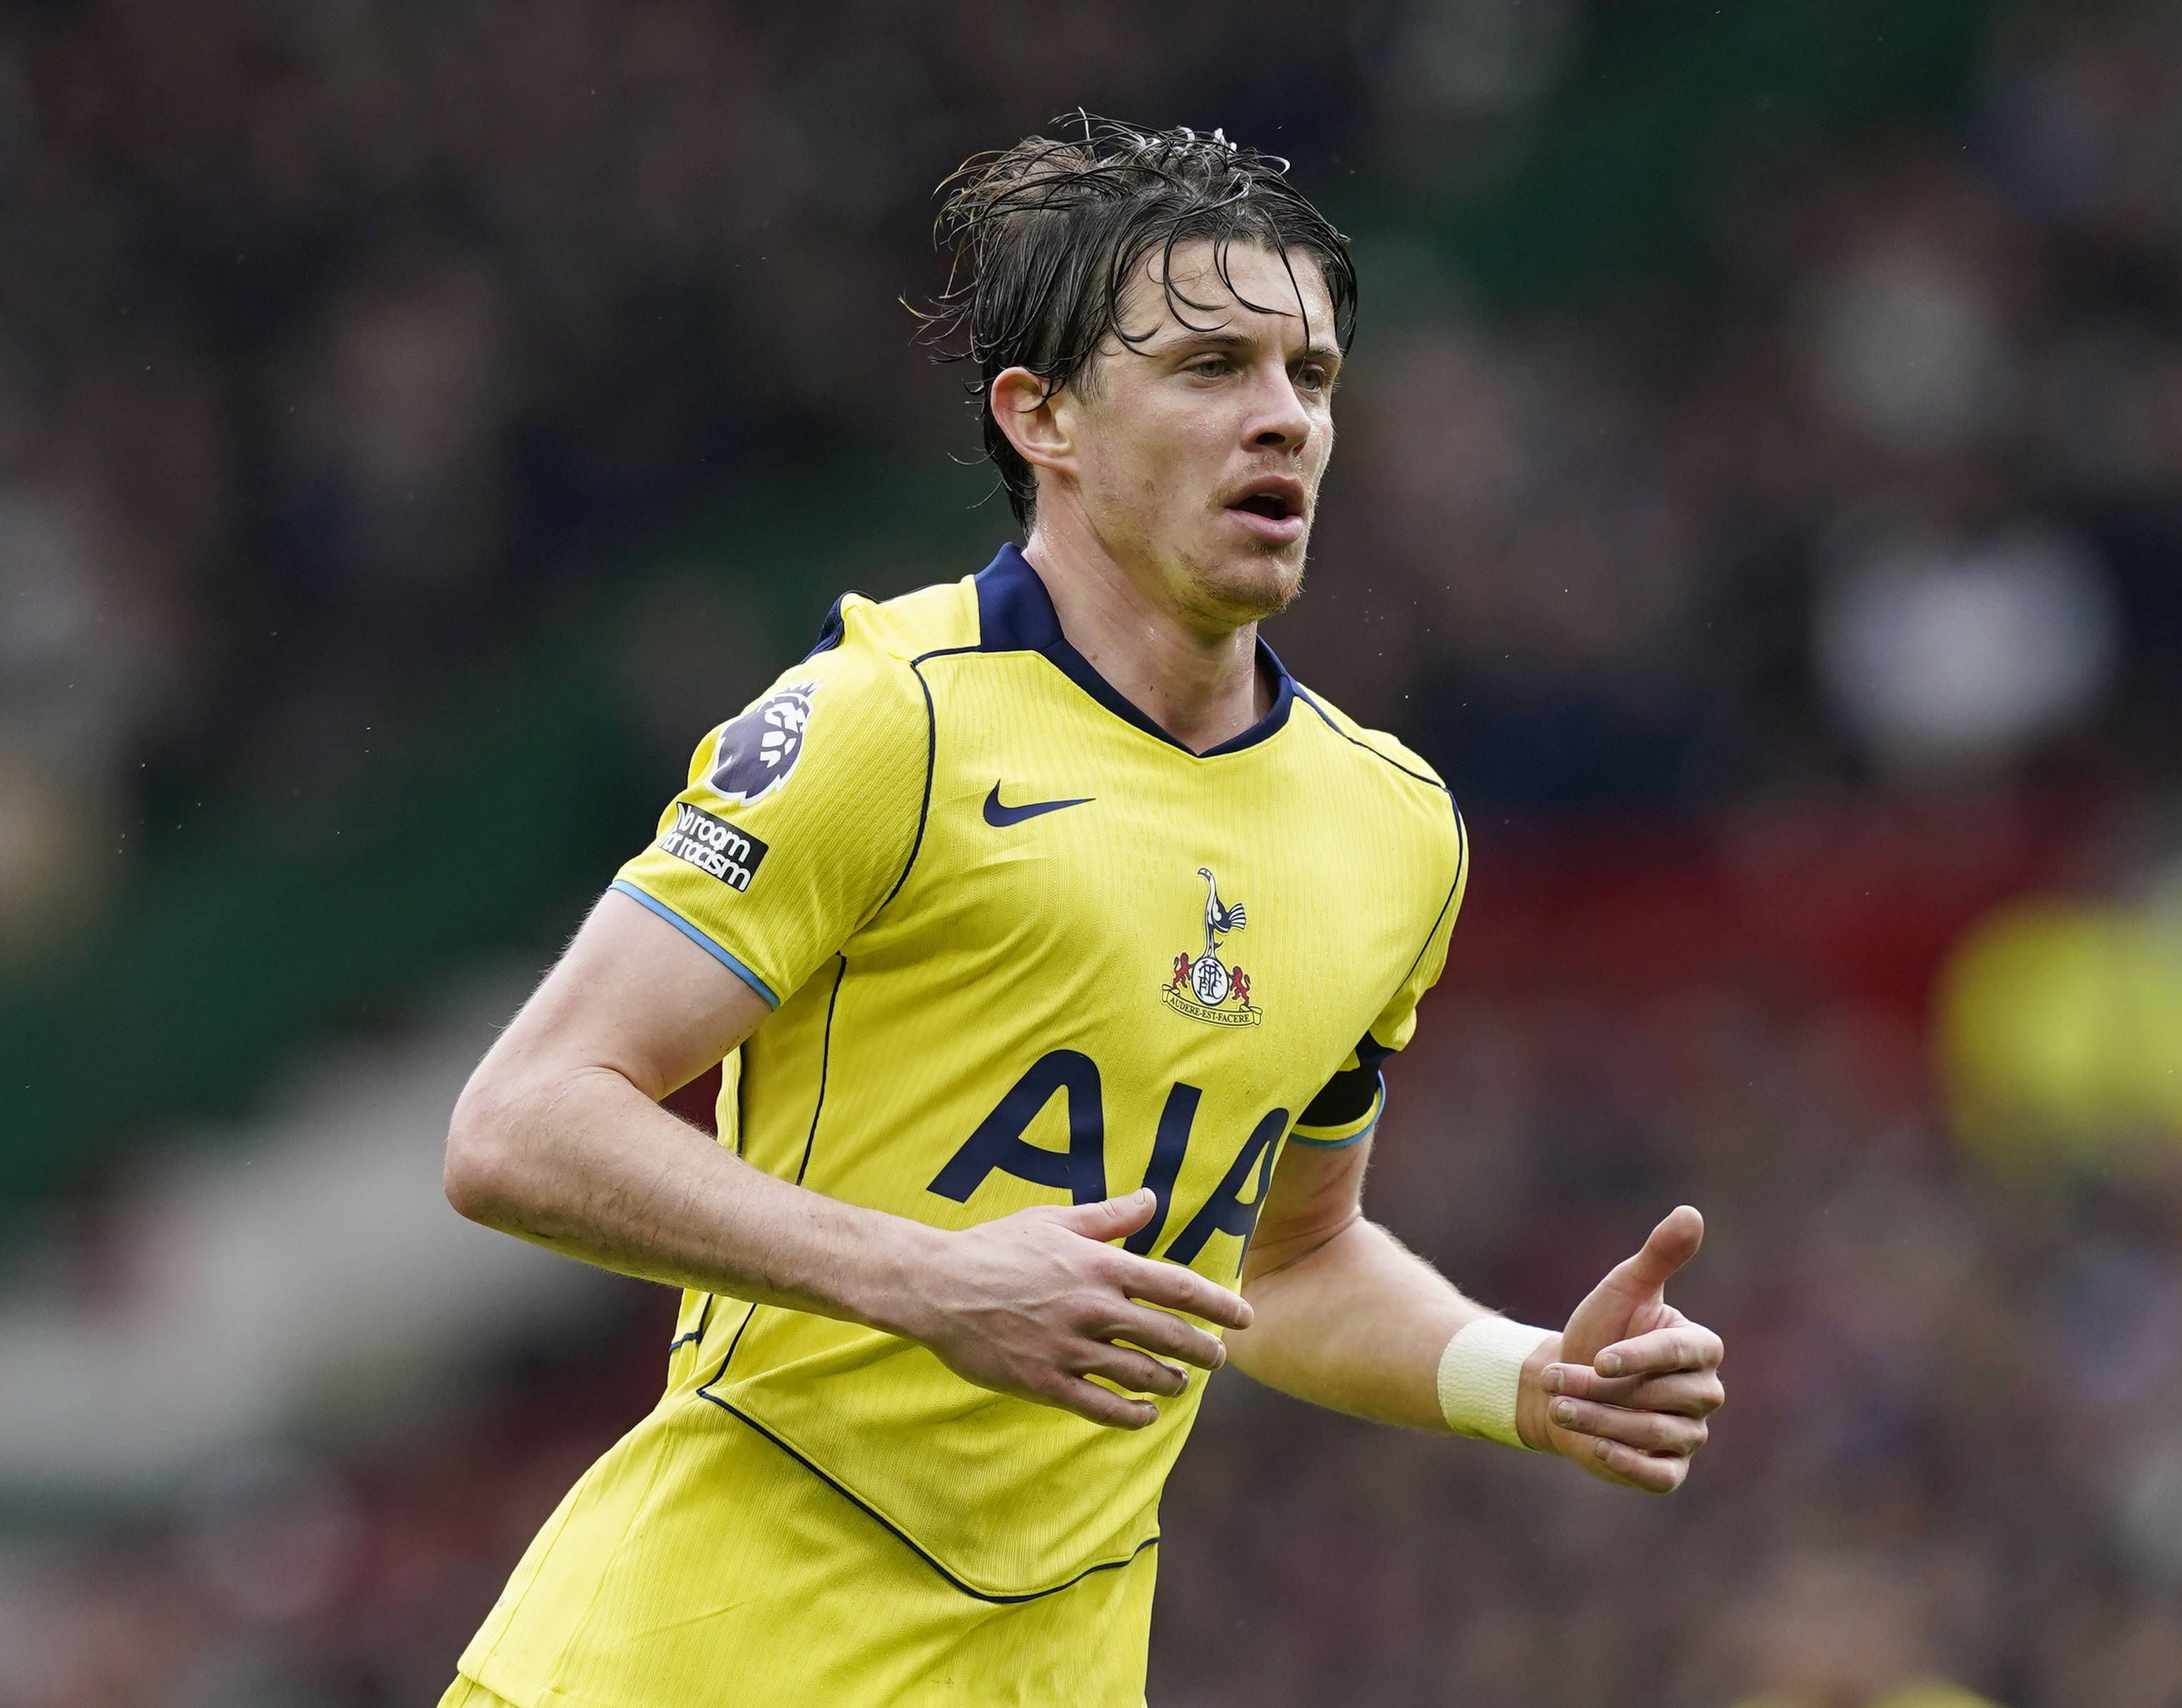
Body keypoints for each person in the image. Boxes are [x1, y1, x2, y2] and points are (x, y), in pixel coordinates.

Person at [437, 116, 1725, 1708]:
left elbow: (1285, 1262)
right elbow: (519, 1124)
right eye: (1209, 367)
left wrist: (1517, 1376)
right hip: (702, 1652)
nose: (1282, 420)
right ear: (1041, 415)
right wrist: (926, 1275)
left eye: (1310, 377)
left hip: (1052, 1669)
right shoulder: (885, 721)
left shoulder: (1393, 829)